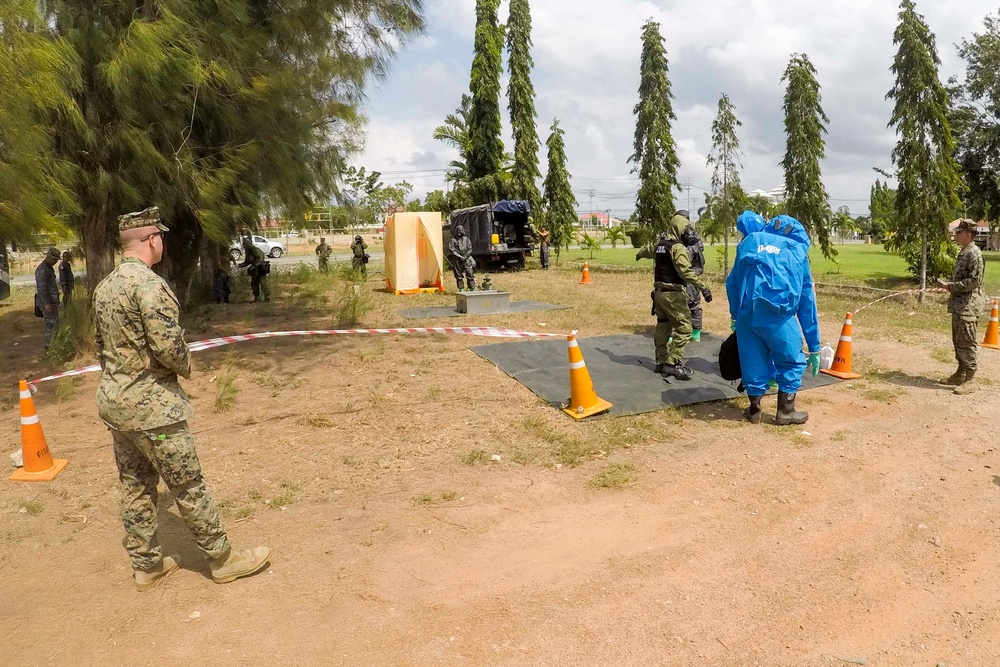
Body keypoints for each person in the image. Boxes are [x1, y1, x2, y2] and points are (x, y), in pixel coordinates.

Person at [93, 206, 269, 591]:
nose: (163, 243)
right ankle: (222, 559)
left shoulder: (105, 286)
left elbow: (100, 348)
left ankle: (147, 566)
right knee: (188, 485)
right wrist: (187, 365)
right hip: (153, 410)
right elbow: (169, 348)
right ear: (152, 240)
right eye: (161, 237)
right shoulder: (149, 286)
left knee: (135, 486)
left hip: (116, 404)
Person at [726, 212, 821, 425]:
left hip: (747, 317)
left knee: (753, 361)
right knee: (791, 361)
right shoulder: (797, 253)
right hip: (779, 318)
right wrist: (814, 346)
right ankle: (786, 411)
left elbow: (732, 284)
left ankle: (754, 410)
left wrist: (735, 316)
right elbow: (807, 302)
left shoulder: (749, 243)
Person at [649, 210, 713, 380]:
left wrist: (639, 255)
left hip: (659, 293)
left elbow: (646, 250)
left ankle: (660, 362)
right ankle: (672, 362)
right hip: (673, 294)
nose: (687, 233)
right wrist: (703, 287)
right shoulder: (677, 248)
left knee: (663, 324)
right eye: (685, 229)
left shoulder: (660, 245)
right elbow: (687, 272)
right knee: (685, 328)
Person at [939, 218, 985, 394]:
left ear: (967, 234)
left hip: (969, 306)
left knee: (967, 340)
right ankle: (961, 372)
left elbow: (974, 281)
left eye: (958, 232)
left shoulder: (974, 253)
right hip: (960, 305)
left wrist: (951, 286)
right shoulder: (965, 252)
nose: (956, 235)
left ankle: (971, 379)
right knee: (958, 340)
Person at [681, 220, 706, 342]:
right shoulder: (697, 245)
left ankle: (678, 333)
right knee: (694, 305)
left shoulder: (689, 249)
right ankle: (696, 332)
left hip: (687, 279)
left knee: (680, 306)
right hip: (695, 279)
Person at [34, 247, 61, 351]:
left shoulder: (48, 268)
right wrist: (47, 303)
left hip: (51, 301)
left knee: (55, 324)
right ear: (49, 257)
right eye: (55, 260)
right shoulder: (42, 270)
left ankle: (53, 345)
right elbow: (42, 288)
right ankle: (49, 347)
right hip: (46, 302)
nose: (55, 262)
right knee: (51, 325)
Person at [238, 236, 270, 302]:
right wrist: (239, 265)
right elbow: (247, 262)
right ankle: (257, 298)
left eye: (245, 244)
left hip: (260, 269)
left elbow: (260, 260)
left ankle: (267, 298)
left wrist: (253, 266)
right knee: (254, 284)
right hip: (254, 271)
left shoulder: (256, 250)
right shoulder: (248, 252)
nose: (244, 246)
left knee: (263, 283)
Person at [448, 224, 476, 291]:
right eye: (460, 230)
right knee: (459, 276)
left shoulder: (466, 239)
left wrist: (465, 256)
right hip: (457, 260)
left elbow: (470, 249)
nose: (461, 231)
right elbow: (452, 250)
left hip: (466, 259)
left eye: (462, 230)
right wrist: (460, 257)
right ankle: (461, 290)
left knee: (470, 274)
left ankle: (472, 289)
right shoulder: (453, 240)